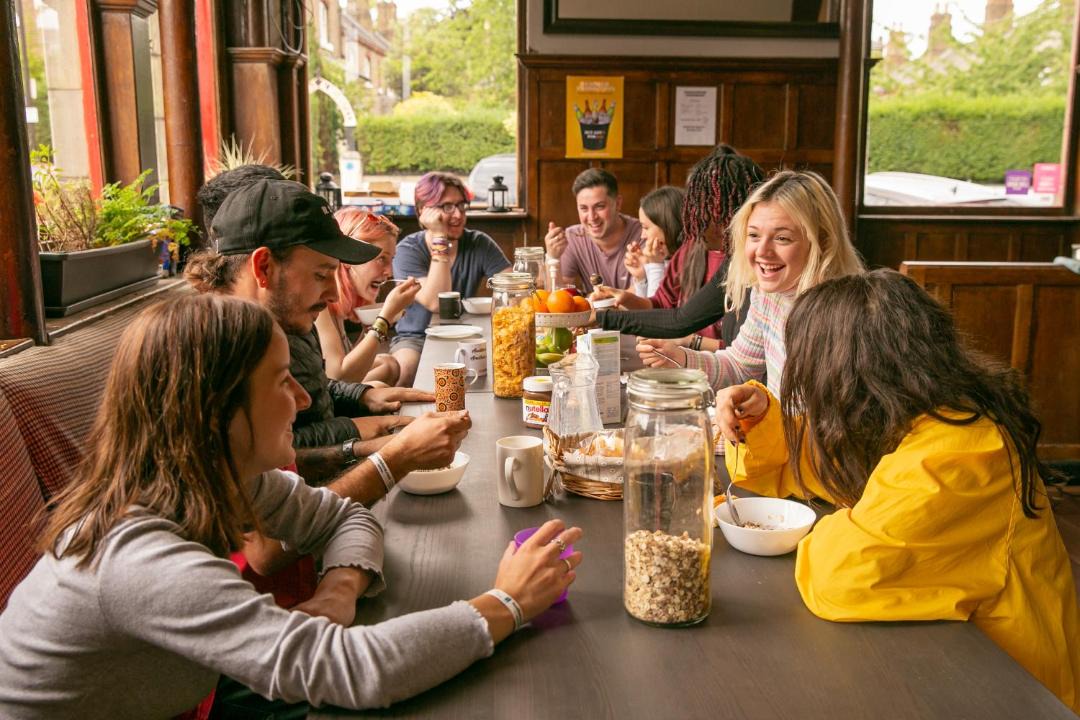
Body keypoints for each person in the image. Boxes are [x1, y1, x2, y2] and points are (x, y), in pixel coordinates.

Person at [0, 294, 584, 718]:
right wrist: (507, 602)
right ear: (217, 416)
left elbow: (345, 516)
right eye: (282, 382)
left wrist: (338, 590)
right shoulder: (137, 558)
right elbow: (352, 669)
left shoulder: (224, 478)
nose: (305, 398)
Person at [713, 270, 1080, 714]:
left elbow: (845, 577)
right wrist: (763, 420)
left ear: (850, 377)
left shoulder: (965, 453)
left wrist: (830, 530)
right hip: (950, 668)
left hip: (1009, 688)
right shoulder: (918, 413)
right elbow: (825, 460)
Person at [187, 175, 453, 487]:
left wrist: (365, 396)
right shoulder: (214, 347)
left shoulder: (286, 313)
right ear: (263, 268)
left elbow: (317, 391)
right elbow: (282, 479)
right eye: (322, 274)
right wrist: (383, 451)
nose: (332, 293)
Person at [637, 170, 865, 398]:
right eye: (754, 236)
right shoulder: (768, 294)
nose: (762, 252)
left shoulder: (847, 315)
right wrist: (681, 358)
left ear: (823, 241)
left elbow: (835, 419)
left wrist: (763, 410)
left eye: (782, 238)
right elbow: (740, 366)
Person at [593, 145, 765, 350]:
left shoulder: (755, 264)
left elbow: (683, 324)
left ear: (722, 212)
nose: (692, 222)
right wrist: (605, 316)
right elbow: (678, 319)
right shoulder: (728, 260)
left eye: (697, 209)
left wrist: (691, 342)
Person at [391, 171, 512, 387]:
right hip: (415, 337)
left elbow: (512, 286)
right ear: (423, 211)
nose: (458, 215)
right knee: (405, 370)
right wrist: (439, 237)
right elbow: (436, 303)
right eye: (447, 207)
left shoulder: (478, 242)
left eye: (461, 205)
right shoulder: (407, 250)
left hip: (468, 331)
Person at [316, 208, 420, 385]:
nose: (389, 272)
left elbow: (351, 364)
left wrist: (375, 323)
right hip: (323, 399)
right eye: (381, 259)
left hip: (337, 388)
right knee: (380, 382)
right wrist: (384, 320)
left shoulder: (341, 303)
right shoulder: (320, 303)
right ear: (350, 257)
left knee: (389, 365)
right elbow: (338, 377)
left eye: (391, 259)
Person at [544, 168, 642, 293]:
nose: (591, 217)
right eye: (584, 208)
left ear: (618, 204)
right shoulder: (573, 237)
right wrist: (552, 258)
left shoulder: (642, 234)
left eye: (599, 206)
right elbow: (558, 294)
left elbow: (643, 292)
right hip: (595, 311)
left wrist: (596, 301)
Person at [622, 185, 685, 298]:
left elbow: (656, 313)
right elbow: (642, 312)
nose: (642, 236)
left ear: (666, 227)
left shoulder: (685, 265)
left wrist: (655, 265)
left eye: (646, 227)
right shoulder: (665, 260)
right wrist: (641, 278)